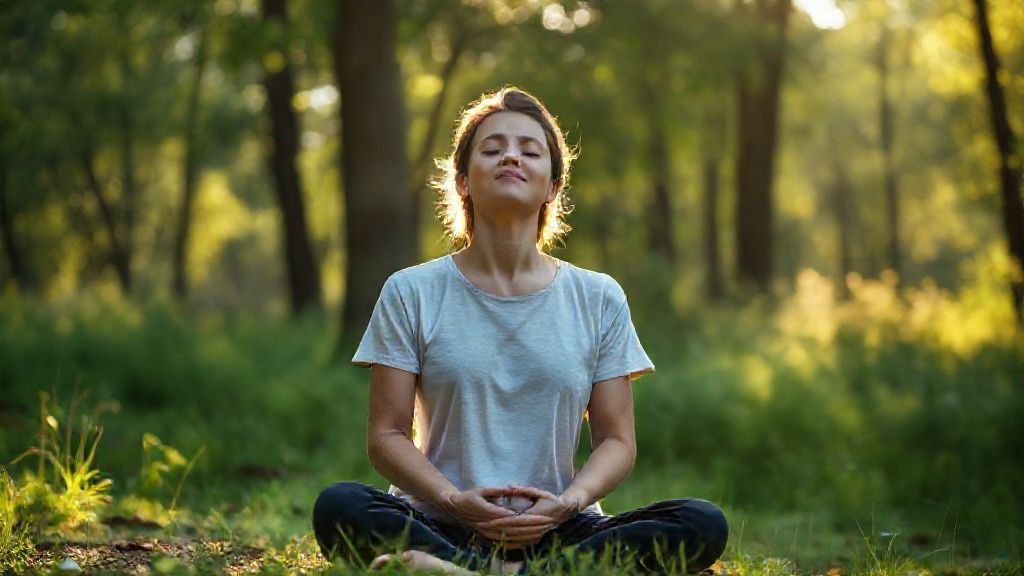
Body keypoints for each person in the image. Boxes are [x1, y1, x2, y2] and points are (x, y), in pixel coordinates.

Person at [312, 87, 728, 574]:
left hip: (559, 527)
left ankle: (473, 573)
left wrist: (568, 503)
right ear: (463, 181)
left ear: (552, 186)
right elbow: (386, 435)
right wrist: (455, 499)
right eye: (492, 149)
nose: (511, 155)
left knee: (701, 522)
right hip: (440, 519)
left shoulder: (598, 297)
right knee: (339, 506)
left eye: (530, 150)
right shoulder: (411, 291)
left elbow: (616, 440)